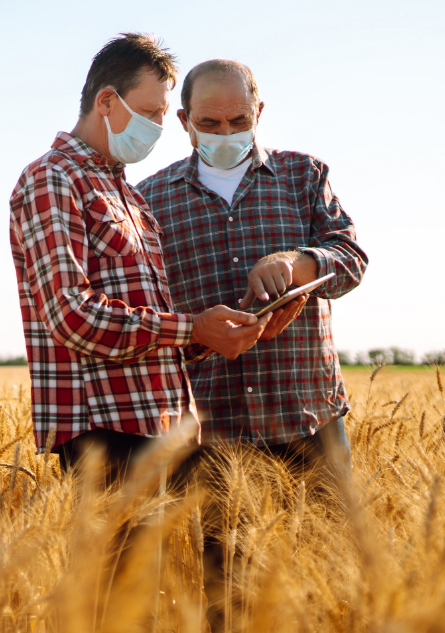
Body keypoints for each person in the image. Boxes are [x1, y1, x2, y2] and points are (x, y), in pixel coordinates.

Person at [9, 37, 273, 478]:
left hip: (161, 424)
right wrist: (192, 326)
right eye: (150, 112)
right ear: (107, 101)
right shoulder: (53, 179)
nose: (157, 126)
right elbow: (71, 315)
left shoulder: (130, 196)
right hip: (106, 432)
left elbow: (148, 326)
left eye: (162, 115)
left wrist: (211, 336)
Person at [138, 59, 368, 481]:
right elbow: (147, 309)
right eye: (209, 122)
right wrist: (198, 338)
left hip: (308, 413)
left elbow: (351, 258)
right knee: (225, 550)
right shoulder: (147, 200)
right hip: (213, 428)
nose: (226, 133)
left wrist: (295, 264)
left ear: (259, 112)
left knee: (331, 546)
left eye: (239, 120)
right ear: (184, 121)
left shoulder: (304, 175)